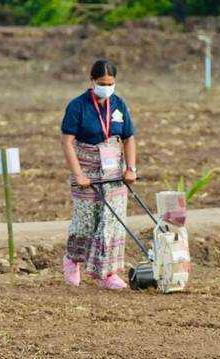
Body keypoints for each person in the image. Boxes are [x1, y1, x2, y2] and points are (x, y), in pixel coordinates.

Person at [60, 59, 137, 290]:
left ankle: (108, 273)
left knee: (112, 222)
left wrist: (130, 168)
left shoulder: (119, 104)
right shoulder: (78, 106)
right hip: (88, 168)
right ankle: (72, 259)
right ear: (92, 80)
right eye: (102, 83)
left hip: (113, 171)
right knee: (86, 221)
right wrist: (78, 174)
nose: (106, 87)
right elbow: (67, 142)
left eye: (111, 83)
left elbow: (128, 137)